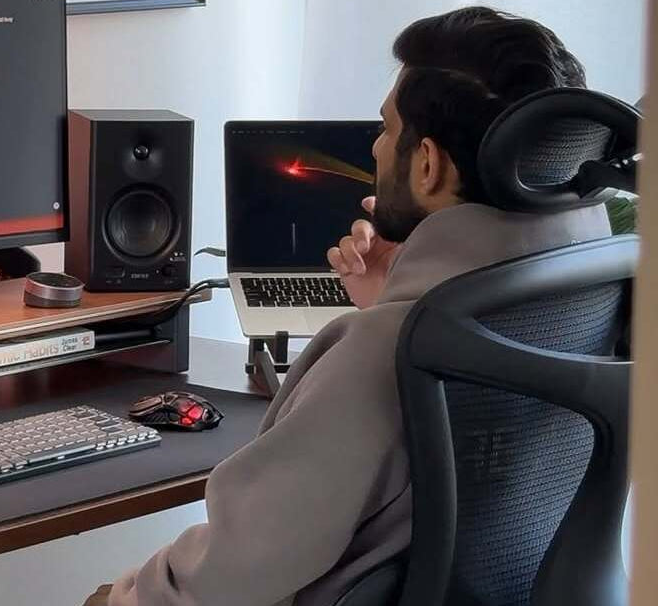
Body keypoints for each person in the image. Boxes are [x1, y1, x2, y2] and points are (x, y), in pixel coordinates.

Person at [83, 8, 613, 606]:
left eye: (386, 130)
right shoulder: (594, 298)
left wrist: (117, 598)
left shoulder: (388, 349)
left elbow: (228, 576)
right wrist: (398, 293)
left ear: (428, 164)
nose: (377, 147)